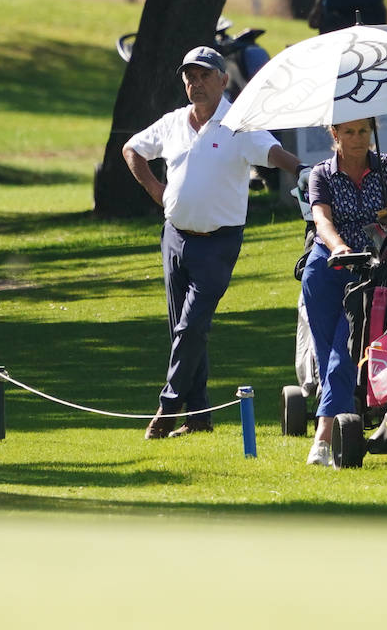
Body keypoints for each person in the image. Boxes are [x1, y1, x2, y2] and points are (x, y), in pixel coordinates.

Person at [123, 45, 304, 439]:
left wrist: (305, 171)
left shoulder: (238, 121)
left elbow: (272, 152)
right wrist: (158, 192)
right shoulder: (173, 122)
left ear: (223, 79)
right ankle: (200, 416)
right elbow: (132, 149)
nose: (196, 83)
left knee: (191, 326)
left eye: (205, 75)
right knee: (185, 331)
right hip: (174, 237)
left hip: (218, 243)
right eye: (190, 76)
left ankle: (168, 408)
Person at [300, 117, 387, 465]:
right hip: (327, 267)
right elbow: (322, 221)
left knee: (343, 352)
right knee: (327, 350)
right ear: (335, 134)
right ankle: (343, 432)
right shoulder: (321, 173)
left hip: (370, 271)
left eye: (363, 131)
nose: (358, 139)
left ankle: (323, 439)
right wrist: (339, 248)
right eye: (349, 132)